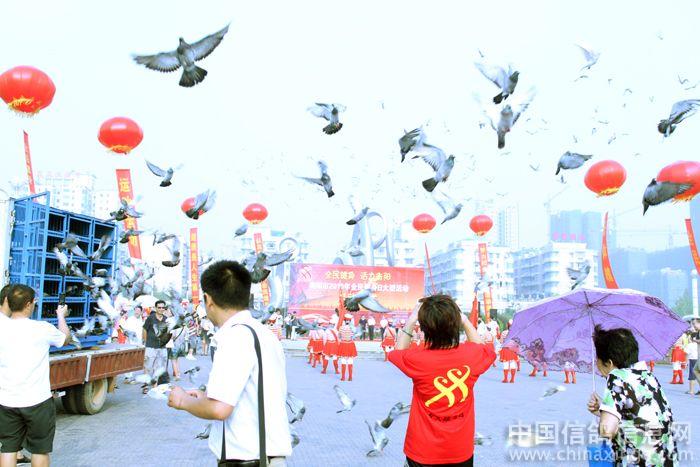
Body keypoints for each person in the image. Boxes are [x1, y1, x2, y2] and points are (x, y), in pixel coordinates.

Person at [167, 260, 291, 465]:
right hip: (267, 459)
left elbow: (220, 409)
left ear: (208, 299)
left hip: (248, 461)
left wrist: (182, 401)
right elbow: (251, 395)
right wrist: (206, 398)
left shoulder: (234, 336)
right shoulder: (264, 333)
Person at [388, 295, 495, 466]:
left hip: (422, 450)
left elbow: (397, 352)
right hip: (460, 450)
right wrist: (464, 320)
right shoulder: (472, 355)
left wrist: (411, 320)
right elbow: (484, 349)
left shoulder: (417, 359)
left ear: (424, 327)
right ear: (456, 323)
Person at [0, 284, 71, 467]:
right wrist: (61, 316)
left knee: (8, 448)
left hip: (6, 400)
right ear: (28, 304)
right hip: (37, 401)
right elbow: (65, 339)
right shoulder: (42, 328)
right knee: (40, 450)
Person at [587, 325, 678, 465]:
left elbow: (607, 430)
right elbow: (639, 415)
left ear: (609, 363)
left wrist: (605, 419)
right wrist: (603, 409)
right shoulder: (648, 376)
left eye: (597, 359)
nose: (597, 365)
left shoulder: (616, 377)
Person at [142, 300, 170, 393]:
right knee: (148, 367)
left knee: (159, 368)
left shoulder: (166, 319)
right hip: (150, 346)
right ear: (156, 308)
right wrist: (145, 341)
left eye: (163, 307)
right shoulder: (150, 318)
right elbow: (144, 329)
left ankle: (155, 386)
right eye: (159, 307)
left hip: (162, 347)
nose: (161, 309)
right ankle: (145, 386)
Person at [123, 306, 145, 384]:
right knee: (128, 359)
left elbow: (142, 332)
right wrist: (128, 341)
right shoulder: (130, 319)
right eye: (136, 310)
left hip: (138, 343)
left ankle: (130, 376)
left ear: (141, 312)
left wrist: (142, 342)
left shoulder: (141, 320)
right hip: (130, 343)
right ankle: (127, 377)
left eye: (138, 310)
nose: (137, 312)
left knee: (134, 360)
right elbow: (125, 331)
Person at [337, 314, 358, 381]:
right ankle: (350, 377)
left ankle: (343, 377)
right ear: (350, 321)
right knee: (350, 361)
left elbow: (339, 337)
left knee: (343, 360)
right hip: (350, 344)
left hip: (343, 344)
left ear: (344, 320)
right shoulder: (353, 328)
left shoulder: (341, 328)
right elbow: (354, 337)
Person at [685, 319, 700, 395]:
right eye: (693, 324)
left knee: (695, 371)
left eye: (694, 324)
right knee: (695, 371)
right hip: (698, 356)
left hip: (696, 357)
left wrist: (695, 340)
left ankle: (692, 390)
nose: (694, 326)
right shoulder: (698, 332)